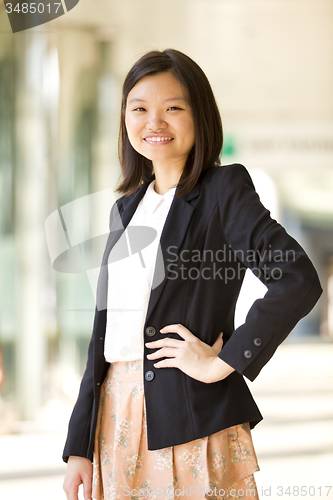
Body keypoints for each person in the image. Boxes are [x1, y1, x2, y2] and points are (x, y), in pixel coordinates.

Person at [62, 49, 322, 500]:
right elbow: (104, 330)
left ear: (200, 116)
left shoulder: (223, 191)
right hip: (115, 418)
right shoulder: (125, 210)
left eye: (173, 108)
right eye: (139, 108)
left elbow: (296, 277)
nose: (154, 123)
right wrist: (79, 446)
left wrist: (222, 362)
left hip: (189, 415)